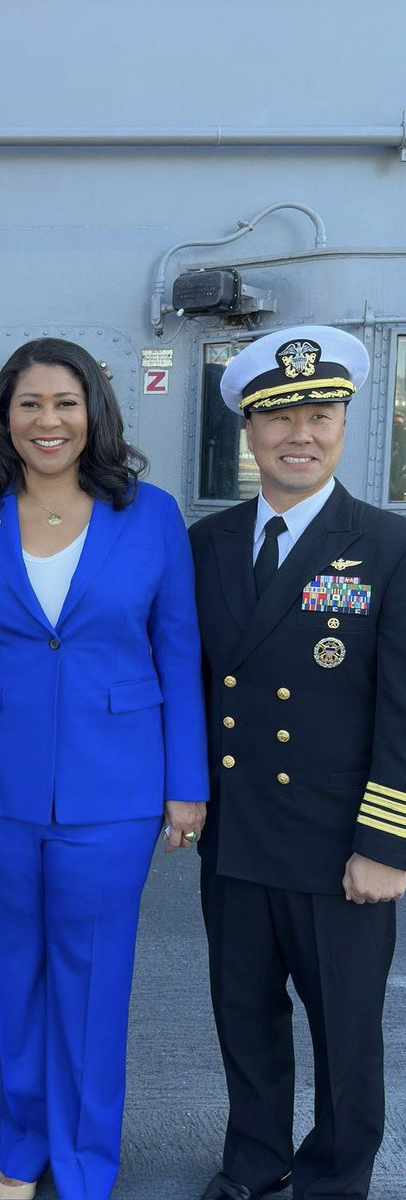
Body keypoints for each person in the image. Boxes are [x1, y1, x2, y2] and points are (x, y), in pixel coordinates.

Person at [0, 337, 209, 1200]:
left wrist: (185, 783)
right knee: (15, 972)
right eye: (30, 404)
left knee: (92, 980)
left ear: (95, 415)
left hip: (114, 787)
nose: (49, 421)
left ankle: (85, 1166)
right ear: (4, 416)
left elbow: (177, 651)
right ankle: (24, 1144)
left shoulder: (150, 514)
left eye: (66, 403)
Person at [190, 326, 406, 1200]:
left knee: (346, 1035)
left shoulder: (387, 545)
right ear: (249, 432)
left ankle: (335, 1179)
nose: (301, 435)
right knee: (245, 1019)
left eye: (320, 413)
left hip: (338, 846)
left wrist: (388, 842)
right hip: (239, 837)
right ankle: (255, 1161)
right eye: (280, 419)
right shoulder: (208, 544)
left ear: (345, 423)